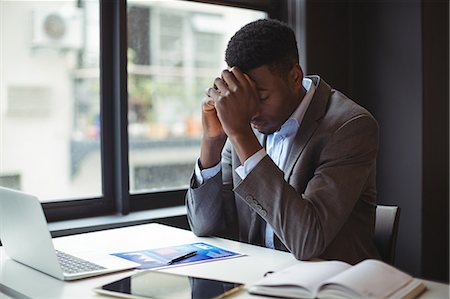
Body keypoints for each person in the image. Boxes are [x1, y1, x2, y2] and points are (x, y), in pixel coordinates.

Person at [186, 18, 380, 264]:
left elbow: (308, 241)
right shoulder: (245, 123)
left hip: (330, 285)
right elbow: (203, 225)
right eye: (244, 98)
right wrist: (211, 143)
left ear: (294, 77)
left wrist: (241, 135)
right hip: (258, 278)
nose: (251, 110)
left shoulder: (350, 126)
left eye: (261, 96)